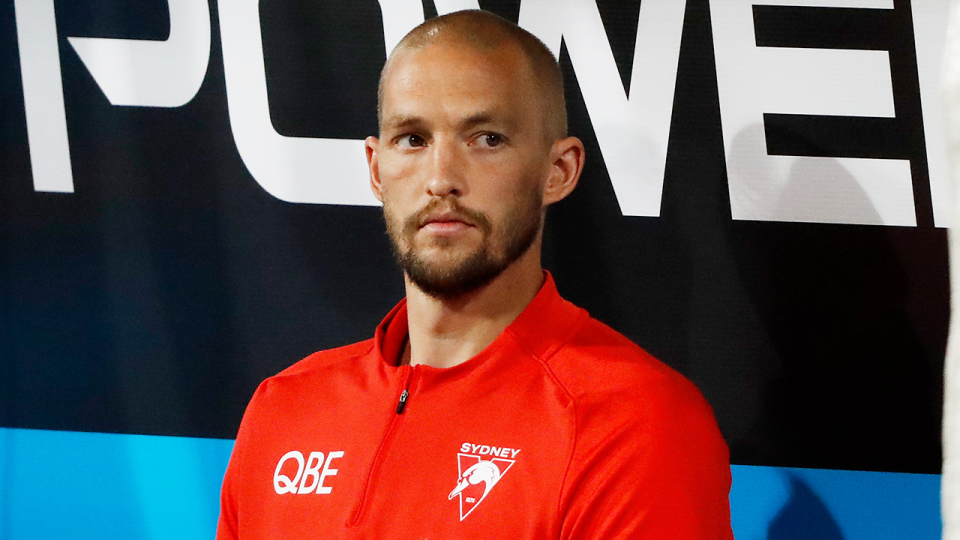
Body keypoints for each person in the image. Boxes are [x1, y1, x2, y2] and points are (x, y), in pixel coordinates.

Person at [217, 9, 733, 539]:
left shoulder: (634, 425)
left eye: (486, 139)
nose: (441, 178)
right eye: (413, 139)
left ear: (559, 171)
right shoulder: (284, 411)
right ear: (376, 170)